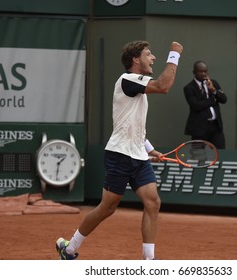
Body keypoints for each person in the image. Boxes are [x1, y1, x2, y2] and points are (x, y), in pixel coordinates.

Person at [55, 40, 183, 260]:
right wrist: (174, 55)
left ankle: (149, 260)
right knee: (108, 208)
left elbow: (133, 125)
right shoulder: (128, 80)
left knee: (153, 202)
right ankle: (69, 248)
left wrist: (150, 150)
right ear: (135, 59)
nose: (153, 58)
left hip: (139, 156)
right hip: (120, 155)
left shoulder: (137, 86)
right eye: (148, 54)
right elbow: (164, 86)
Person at [183, 60, 227, 149]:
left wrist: (213, 90)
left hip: (215, 127)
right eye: (200, 71)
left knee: (220, 152)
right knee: (198, 155)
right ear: (194, 72)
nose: (204, 74)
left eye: (205, 71)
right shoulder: (189, 88)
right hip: (199, 127)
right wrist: (213, 99)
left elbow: (223, 99)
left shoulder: (213, 83)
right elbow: (196, 106)